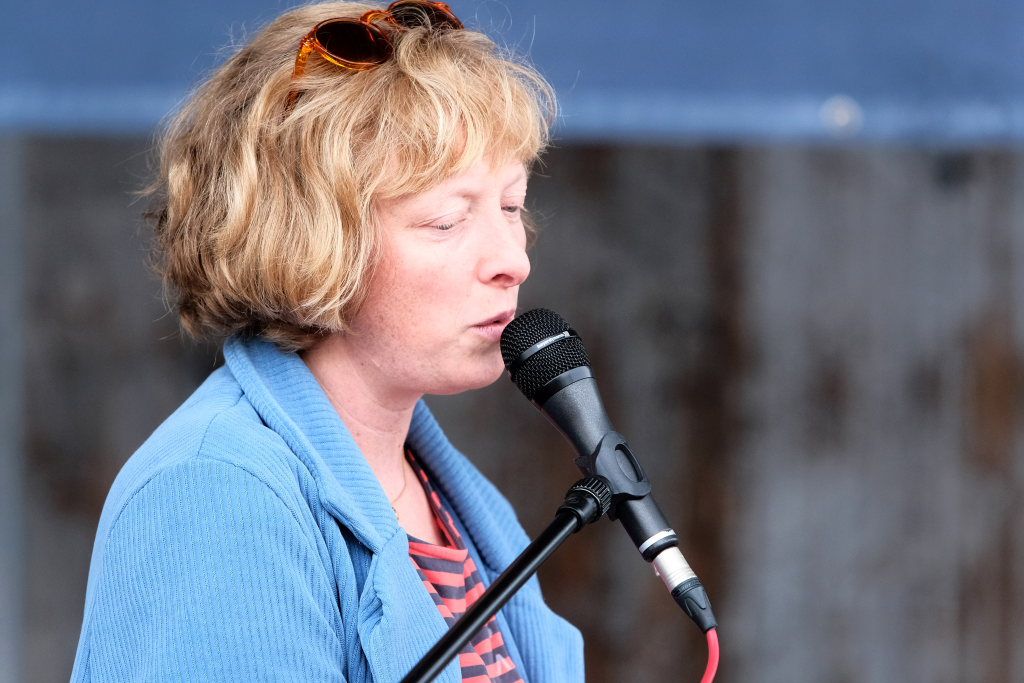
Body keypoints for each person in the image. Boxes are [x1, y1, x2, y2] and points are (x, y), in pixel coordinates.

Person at [70, 2, 583, 681]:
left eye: (511, 206)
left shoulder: (457, 500)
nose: (512, 260)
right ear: (309, 241)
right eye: (446, 220)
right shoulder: (216, 494)